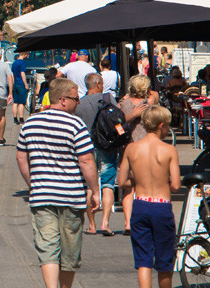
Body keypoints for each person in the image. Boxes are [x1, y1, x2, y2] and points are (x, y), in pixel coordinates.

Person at [15, 78, 100, 288]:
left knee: (48, 247)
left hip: (42, 195)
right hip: (71, 196)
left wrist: (32, 183)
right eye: (75, 98)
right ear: (63, 100)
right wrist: (95, 190)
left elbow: (20, 157)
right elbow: (86, 160)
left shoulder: (31, 122)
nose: (78, 102)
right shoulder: (76, 124)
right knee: (69, 250)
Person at [118, 106, 180, 288]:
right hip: (161, 206)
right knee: (164, 261)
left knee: (143, 260)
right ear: (161, 126)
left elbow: (122, 181)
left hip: (141, 204)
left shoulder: (131, 148)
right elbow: (176, 185)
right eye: (168, 126)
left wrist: (139, 182)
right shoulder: (169, 150)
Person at [75, 73, 116, 236]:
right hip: (106, 146)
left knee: (90, 185)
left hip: (86, 148)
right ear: (98, 83)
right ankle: (105, 223)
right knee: (107, 184)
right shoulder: (109, 99)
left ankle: (91, 225)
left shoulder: (80, 104)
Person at [118, 75, 159, 235]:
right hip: (144, 149)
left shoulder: (123, 103)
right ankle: (138, 222)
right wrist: (134, 115)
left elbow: (118, 126)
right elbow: (118, 126)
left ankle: (128, 223)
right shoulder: (148, 104)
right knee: (144, 186)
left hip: (128, 148)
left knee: (129, 187)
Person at [11, 51, 29, 125]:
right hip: (21, 84)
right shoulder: (22, 63)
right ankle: (21, 119)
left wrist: (12, 84)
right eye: (27, 54)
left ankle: (15, 118)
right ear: (24, 54)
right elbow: (22, 74)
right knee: (21, 102)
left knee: (15, 102)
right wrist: (25, 84)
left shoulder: (14, 63)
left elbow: (12, 74)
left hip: (15, 83)